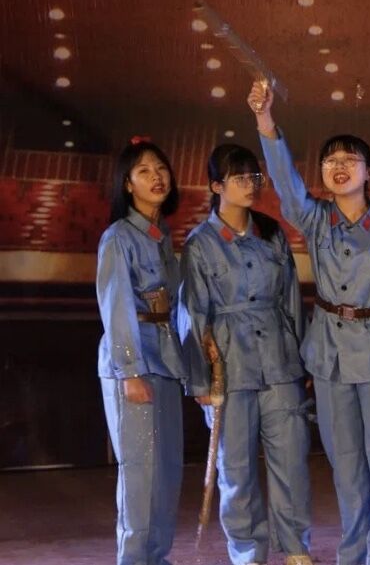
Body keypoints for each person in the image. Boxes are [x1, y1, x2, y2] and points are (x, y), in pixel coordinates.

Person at [247, 81, 370, 565]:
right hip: (330, 354)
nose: (339, 166)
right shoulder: (315, 221)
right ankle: (352, 556)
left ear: (369, 172)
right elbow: (287, 187)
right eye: (331, 160)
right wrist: (265, 121)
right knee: (346, 466)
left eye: (351, 159)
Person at [179, 143, 312, 565]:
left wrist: (303, 360)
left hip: (280, 363)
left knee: (291, 462)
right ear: (216, 186)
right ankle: (247, 553)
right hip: (228, 369)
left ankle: (295, 549)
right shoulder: (200, 244)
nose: (250, 185)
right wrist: (200, 379)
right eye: (239, 178)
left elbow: (292, 302)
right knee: (235, 470)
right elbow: (192, 314)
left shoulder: (272, 234)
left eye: (254, 177)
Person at [96, 138, 187, 565]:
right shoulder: (119, 237)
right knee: (140, 474)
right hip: (133, 365)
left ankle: (157, 557)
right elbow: (115, 306)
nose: (157, 177)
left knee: (166, 471)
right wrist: (130, 371)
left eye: (161, 168)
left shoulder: (161, 236)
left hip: (165, 360)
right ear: (127, 184)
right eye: (144, 171)